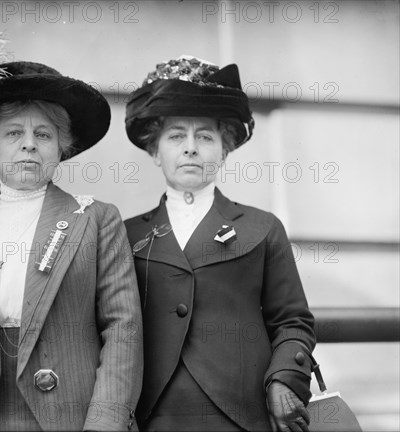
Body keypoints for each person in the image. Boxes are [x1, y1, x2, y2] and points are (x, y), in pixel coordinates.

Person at [0, 16, 142, 431]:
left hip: (69, 417)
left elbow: (122, 331)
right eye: (13, 133)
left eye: (44, 135)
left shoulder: (95, 220)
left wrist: (104, 422)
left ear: (60, 149)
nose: (29, 143)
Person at [123, 55, 316, 432]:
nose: (191, 148)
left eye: (205, 137)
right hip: (153, 419)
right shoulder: (123, 235)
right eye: (176, 136)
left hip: (244, 417)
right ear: (154, 150)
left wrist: (283, 379)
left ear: (224, 150)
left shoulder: (262, 227)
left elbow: (293, 321)